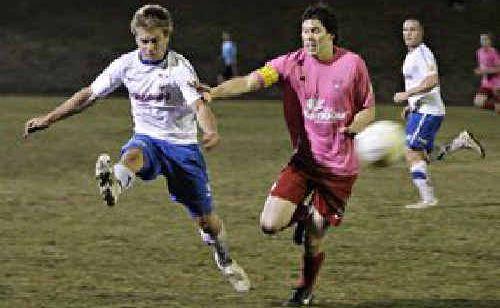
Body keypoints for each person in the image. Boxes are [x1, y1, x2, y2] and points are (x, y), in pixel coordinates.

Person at [23, 4, 250, 293]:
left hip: (182, 149)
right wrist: (47, 119)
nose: (151, 47)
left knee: (207, 222)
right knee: (132, 154)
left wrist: (211, 131)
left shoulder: (179, 69)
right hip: (148, 139)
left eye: (156, 40)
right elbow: (88, 95)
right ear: (135, 38)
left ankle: (224, 258)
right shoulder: (126, 65)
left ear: (168, 37)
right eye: (145, 41)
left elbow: (199, 105)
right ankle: (115, 183)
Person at [198, 3, 375, 305]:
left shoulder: (353, 65)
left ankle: (305, 289)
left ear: (330, 34)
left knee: (314, 237)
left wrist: (357, 125)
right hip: (305, 161)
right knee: (269, 224)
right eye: (305, 31)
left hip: (339, 167)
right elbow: (250, 81)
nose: (309, 37)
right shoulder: (290, 63)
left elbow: (368, 108)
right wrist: (214, 92)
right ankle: (306, 217)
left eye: (315, 31)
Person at [393, 18, 484, 210]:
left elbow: (433, 80)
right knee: (421, 154)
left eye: (412, 30)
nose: (408, 33)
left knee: (412, 152)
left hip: (430, 111)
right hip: (421, 109)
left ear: (421, 32)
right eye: (405, 30)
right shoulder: (412, 54)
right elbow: (421, 82)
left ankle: (428, 199)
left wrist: (407, 95)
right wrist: (411, 103)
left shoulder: (423, 53)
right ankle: (460, 142)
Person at [473, 33, 500, 113]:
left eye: (485, 39)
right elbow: (482, 67)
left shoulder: (493, 52)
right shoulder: (479, 52)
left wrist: (485, 71)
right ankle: (497, 107)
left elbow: (498, 69)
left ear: (490, 41)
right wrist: (478, 70)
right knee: (478, 103)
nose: (483, 41)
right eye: (482, 39)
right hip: (486, 83)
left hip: (496, 83)